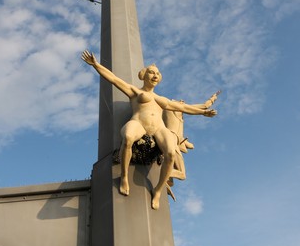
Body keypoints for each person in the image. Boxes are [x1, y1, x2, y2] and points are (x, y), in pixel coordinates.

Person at [81, 50, 217, 209]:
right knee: (128, 138)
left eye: (158, 74)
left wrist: (202, 112)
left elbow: (183, 107)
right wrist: (96, 65)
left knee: (171, 153)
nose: (155, 75)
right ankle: (124, 177)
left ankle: (158, 190)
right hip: (139, 122)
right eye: (152, 72)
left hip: (159, 128)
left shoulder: (162, 99)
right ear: (144, 75)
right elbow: (114, 79)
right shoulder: (135, 92)